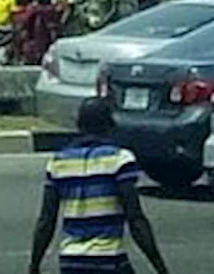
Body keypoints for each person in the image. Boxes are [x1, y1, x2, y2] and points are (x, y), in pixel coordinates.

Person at [28, 98, 170, 274]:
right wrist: (160, 267)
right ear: (110, 125)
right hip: (109, 259)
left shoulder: (58, 163)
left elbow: (46, 220)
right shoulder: (119, 160)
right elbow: (135, 219)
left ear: (79, 126)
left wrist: (34, 265)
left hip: (71, 261)